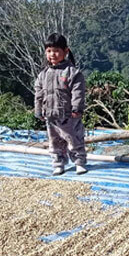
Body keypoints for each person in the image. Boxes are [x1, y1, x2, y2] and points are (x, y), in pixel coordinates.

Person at [34, 33, 87, 176]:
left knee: (74, 139)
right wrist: (38, 110)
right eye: (49, 51)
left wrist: (77, 108)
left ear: (66, 51)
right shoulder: (43, 74)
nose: (52, 54)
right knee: (54, 142)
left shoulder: (73, 73)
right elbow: (39, 93)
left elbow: (78, 92)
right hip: (51, 116)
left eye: (56, 50)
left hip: (69, 115)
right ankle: (58, 164)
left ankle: (79, 162)